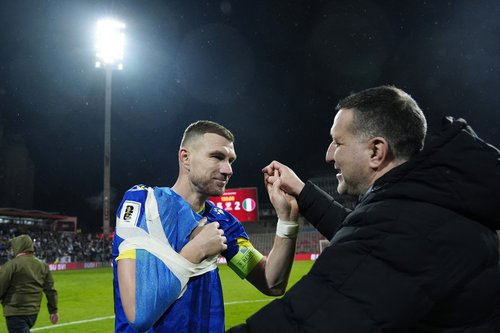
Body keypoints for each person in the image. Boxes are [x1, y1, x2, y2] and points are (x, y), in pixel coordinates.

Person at [227, 85, 500, 332]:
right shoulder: (435, 199)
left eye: (338, 142)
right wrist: (303, 191)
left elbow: (302, 324)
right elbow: (370, 236)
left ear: (375, 151)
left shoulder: (401, 228)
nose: (329, 154)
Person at [112, 120, 299, 332]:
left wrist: (287, 220)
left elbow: (272, 284)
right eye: (217, 157)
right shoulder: (144, 203)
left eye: (231, 160)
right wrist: (197, 250)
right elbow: (139, 312)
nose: (228, 169)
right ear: (186, 158)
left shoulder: (224, 224)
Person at [0, 234, 59, 333]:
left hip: (15, 312)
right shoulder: (43, 265)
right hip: (33, 313)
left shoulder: (11, 265)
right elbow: (50, 290)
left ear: (17, 246)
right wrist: (53, 311)